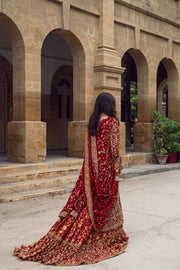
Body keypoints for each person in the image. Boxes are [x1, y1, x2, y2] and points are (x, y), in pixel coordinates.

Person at [14, 92, 128, 266]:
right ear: (109, 105)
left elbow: (88, 151)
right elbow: (113, 149)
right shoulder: (112, 123)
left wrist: (89, 171)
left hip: (90, 172)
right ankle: (108, 236)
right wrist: (117, 167)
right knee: (107, 200)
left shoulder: (92, 122)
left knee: (85, 203)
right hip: (106, 172)